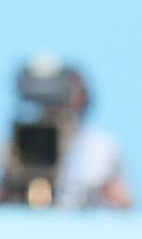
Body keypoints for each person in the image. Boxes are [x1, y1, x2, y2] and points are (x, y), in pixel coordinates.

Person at [54, 67, 135, 210]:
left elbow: (126, 202)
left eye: (76, 93)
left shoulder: (104, 147)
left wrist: (100, 190)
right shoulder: (23, 144)